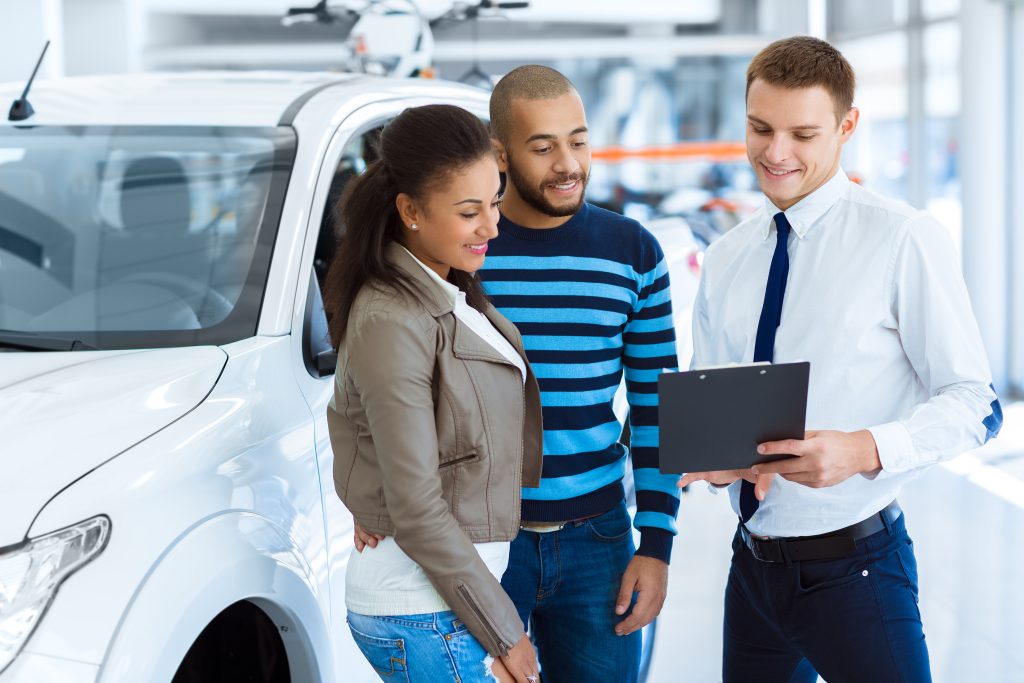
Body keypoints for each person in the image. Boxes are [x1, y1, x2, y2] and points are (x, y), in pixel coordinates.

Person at [678, 36, 1003, 683]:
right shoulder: (727, 255)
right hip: (753, 569)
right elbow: (713, 399)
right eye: (760, 127)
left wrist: (863, 448)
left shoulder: (902, 237)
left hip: (855, 569)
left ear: (848, 126)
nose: (775, 153)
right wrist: (712, 459)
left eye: (802, 133)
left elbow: (978, 404)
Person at [323, 104, 544, 683]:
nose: (492, 226)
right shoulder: (393, 318)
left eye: (494, 202)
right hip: (425, 611)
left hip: (448, 601)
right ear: (410, 212)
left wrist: (365, 493)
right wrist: (506, 632)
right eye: (469, 211)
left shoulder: (445, 287)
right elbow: (416, 507)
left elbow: (360, 422)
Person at [483, 65, 680, 682]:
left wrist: (656, 545)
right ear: (501, 154)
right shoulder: (465, 252)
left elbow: (657, 406)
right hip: (485, 543)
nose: (568, 163)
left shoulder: (634, 252)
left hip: (599, 540)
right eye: (543, 147)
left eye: (578, 140)